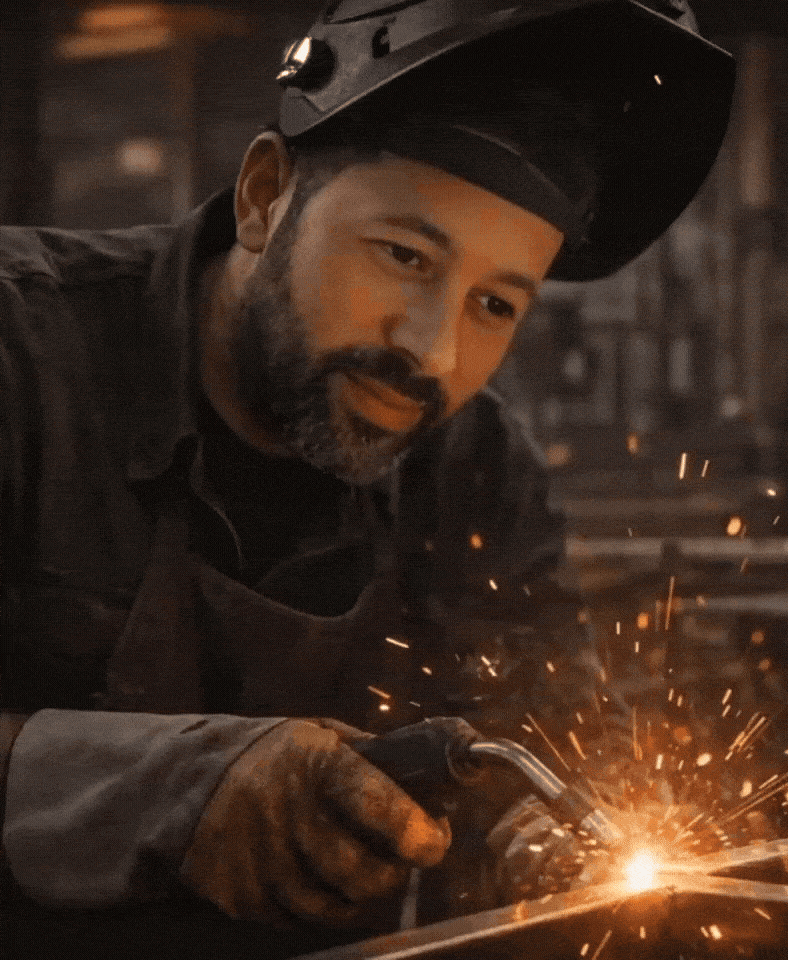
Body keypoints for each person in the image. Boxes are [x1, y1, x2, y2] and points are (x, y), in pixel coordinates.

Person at [0, 2, 735, 957]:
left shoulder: (473, 466)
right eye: (403, 256)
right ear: (266, 195)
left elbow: (546, 741)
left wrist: (543, 828)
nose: (431, 351)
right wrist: (167, 788)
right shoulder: (21, 354)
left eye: (494, 303)